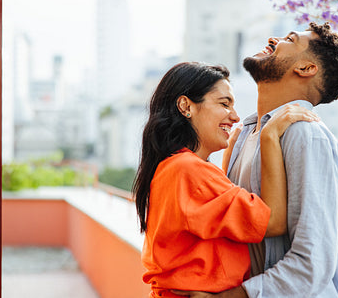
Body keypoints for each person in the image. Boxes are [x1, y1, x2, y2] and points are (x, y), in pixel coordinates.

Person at [174, 22, 338, 298]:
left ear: (306, 68)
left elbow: (312, 264)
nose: (273, 39)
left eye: (290, 39)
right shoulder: (244, 135)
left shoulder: (306, 135)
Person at [132, 61, 319, 298]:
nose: (235, 116)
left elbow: (209, 220)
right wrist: (269, 135)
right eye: (224, 104)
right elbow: (272, 222)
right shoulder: (188, 170)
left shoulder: (174, 166)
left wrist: (229, 158)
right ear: (185, 106)